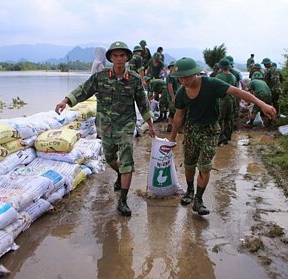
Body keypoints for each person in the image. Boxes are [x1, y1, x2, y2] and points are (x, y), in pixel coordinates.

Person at [55, 41, 156, 217]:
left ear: (127, 58)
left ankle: (123, 200)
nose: (118, 59)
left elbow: (143, 103)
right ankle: (119, 173)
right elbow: (83, 90)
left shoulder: (133, 79)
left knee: (126, 160)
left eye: (122, 55)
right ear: (110, 58)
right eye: (115, 56)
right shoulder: (100, 77)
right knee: (110, 158)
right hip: (106, 125)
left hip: (126, 125)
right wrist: (65, 100)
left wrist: (151, 125)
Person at [168, 57, 276, 216]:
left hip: (211, 130)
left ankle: (198, 200)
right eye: (180, 78)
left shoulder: (211, 84)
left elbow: (238, 91)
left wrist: (262, 104)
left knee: (205, 165)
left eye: (187, 76)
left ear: (195, 73)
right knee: (189, 164)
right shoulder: (181, 92)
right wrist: (172, 138)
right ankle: (190, 191)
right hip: (191, 130)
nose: (183, 80)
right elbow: (179, 116)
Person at [215, 59, 237, 145]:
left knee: (220, 118)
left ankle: (221, 136)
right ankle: (228, 136)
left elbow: (215, 90)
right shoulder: (233, 77)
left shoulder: (218, 76)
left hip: (222, 99)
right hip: (231, 100)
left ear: (220, 67)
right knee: (229, 118)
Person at [165, 61, 179, 133]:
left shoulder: (176, 76)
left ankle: (170, 126)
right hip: (173, 97)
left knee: (171, 112)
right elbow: (170, 87)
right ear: (170, 67)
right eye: (172, 66)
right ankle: (177, 128)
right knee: (176, 112)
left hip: (176, 96)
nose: (173, 68)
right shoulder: (170, 76)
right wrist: (173, 97)